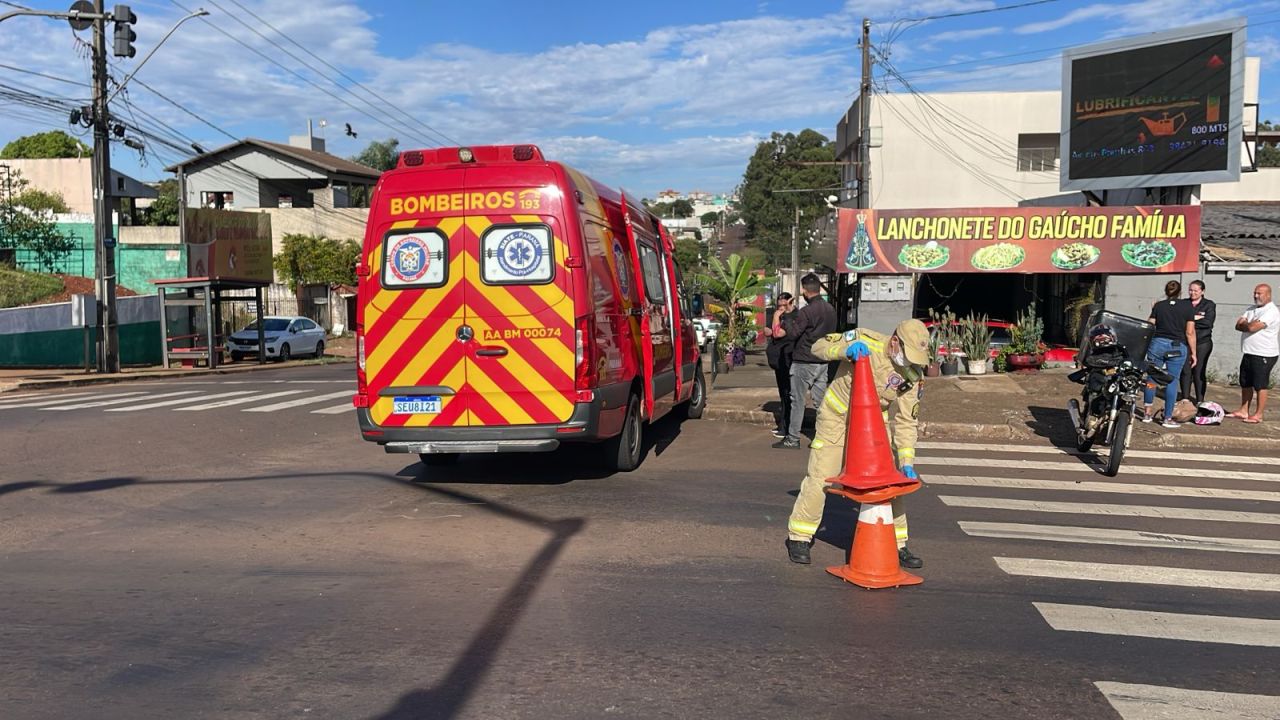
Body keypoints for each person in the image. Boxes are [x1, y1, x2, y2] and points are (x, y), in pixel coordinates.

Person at [784, 319, 931, 569]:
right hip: (836, 419)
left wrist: (907, 462)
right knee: (821, 475)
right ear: (895, 341)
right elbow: (818, 347)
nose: (910, 361)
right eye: (908, 354)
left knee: (889, 481)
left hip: (873, 425)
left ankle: (898, 543)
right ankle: (799, 536)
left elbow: (907, 421)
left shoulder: (912, 374)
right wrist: (843, 350)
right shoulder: (865, 340)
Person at [772, 274, 836, 449]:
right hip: (822, 360)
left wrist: (787, 317)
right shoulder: (830, 309)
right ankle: (824, 436)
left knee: (798, 400)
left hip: (804, 360)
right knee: (821, 401)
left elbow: (793, 334)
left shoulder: (807, 312)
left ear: (805, 291)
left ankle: (793, 438)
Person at [1143, 280, 1195, 428]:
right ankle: (1167, 417)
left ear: (1166, 291)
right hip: (1177, 346)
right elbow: (1190, 332)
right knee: (1172, 380)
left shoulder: (1159, 306)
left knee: (1151, 379)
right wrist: (1194, 352)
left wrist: (1155, 310)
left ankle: (1147, 413)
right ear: (1180, 292)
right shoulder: (1187, 306)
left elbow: (1150, 324)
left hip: (1157, 343)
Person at [1229, 283, 1279, 423]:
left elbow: (1251, 327)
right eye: (1255, 293)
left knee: (1260, 384)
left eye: (1259, 293)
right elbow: (1238, 325)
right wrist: (1246, 325)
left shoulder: (1271, 311)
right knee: (1245, 382)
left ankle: (1259, 414)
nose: (1256, 296)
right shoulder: (1251, 309)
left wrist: (1246, 324)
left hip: (1264, 353)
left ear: (1268, 295)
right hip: (1249, 352)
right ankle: (1244, 410)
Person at [765, 292, 798, 439]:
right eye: (779, 306)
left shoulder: (793, 317)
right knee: (783, 394)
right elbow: (770, 330)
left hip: (789, 359)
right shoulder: (781, 316)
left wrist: (776, 317)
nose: (780, 309)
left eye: (784, 306)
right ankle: (784, 424)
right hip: (779, 359)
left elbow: (777, 333)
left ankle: (787, 427)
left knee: (788, 393)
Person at [1179, 280, 1216, 405]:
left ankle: (1200, 399)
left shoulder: (1209, 305)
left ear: (1202, 291)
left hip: (1202, 342)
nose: (1192, 293)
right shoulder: (1183, 303)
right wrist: (1195, 318)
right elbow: (1178, 320)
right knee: (1185, 370)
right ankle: (1185, 398)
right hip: (1186, 341)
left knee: (1199, 371)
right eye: (1190, 290)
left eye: (1195, 290)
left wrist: (1190, 319)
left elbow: (1208, 323)